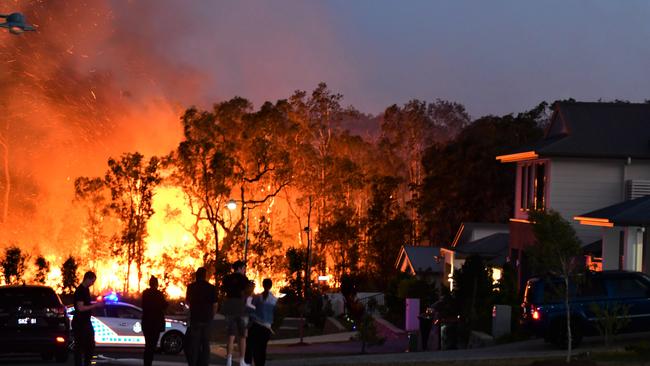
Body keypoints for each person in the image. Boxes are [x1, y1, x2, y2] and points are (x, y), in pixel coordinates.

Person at [185, 267, 217, 366]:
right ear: (205, 276)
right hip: (207, 320)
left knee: (194, 344)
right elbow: (215, 304)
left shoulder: (191, 287)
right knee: (205, 344)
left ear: (196, 275)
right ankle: (204, 363)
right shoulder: (211, 288)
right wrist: (212, 316)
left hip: (195, 319)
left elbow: (187, 304)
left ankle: (194, 363)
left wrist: (188, 315)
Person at [221, 260, 249, 366]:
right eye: (244, 268)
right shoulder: (244, 279)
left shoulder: (227, 279)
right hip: (241, 307)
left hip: (229, 307)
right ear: (240, 268)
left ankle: (229, 360)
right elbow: (247, 293)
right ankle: (242, 361)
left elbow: (224, 290)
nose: (244, 270)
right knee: (242, 335)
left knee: (230, 335)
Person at [244, 279, 277, 366]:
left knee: (253, 346)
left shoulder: (257, 297)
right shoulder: (274, 299)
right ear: (271, 286)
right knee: (262, 348)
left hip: (256, 325)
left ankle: (250, 362)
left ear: (263, 285)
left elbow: (251, 310)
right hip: (267, 327)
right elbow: (274, 313)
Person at [72, 271, 103, 366]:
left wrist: (95, 303)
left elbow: (85, 304)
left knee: (90, 345)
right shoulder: (80, 290)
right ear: (87, 279)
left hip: (85, 322)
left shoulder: (86, 290)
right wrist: (95, 306)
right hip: (80, 323)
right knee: (80, 346)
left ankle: (87, 363)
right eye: (92, 281)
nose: (93, 283)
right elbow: (80, 308)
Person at [142, 275, 168, 366]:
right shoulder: (158, 294)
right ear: (156, 284)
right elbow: (164, 305)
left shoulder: (145, 293)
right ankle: (149, 362)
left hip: (146, 323)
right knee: (152, 345)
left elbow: (143, 305)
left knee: (148, 345)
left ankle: (147, 363)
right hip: (156, 324)